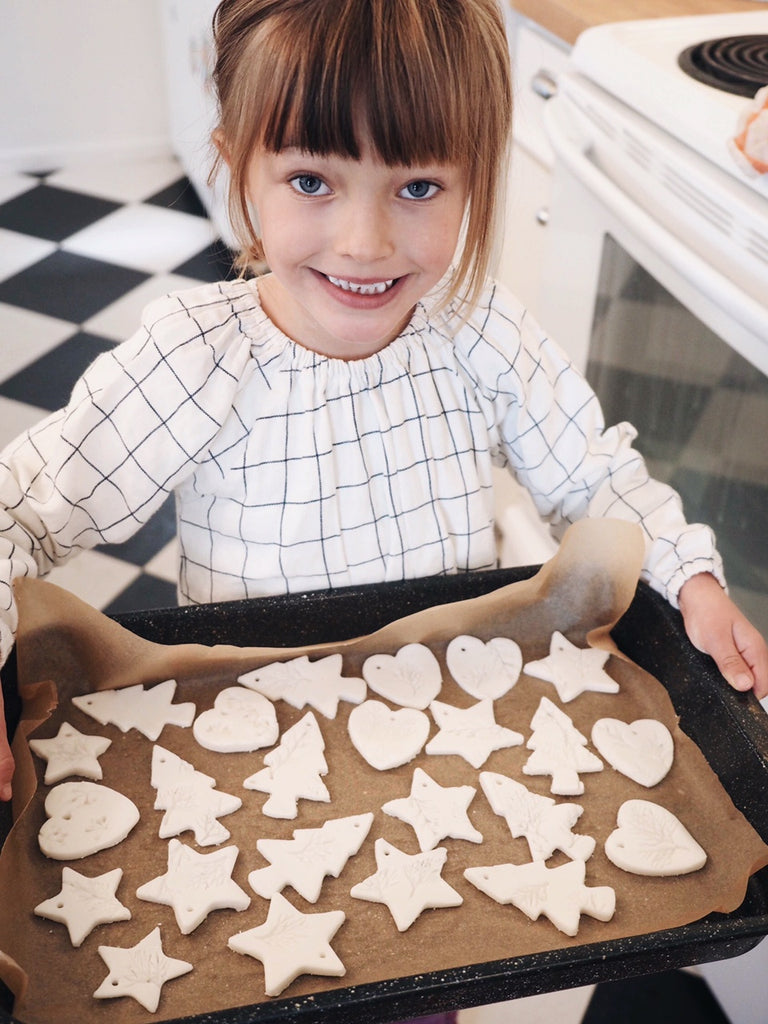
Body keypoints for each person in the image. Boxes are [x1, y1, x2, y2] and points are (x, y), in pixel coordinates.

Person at [0, 0, 766, 819]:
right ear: (236, 169)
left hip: (452, 741)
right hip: (250, 754)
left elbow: (597, 482)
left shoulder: (481, 330)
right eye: (310, 181)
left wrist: (691, 580)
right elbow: (21, 513)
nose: (365, 242)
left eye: (418, 186)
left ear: (477, 175)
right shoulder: (195, 359)